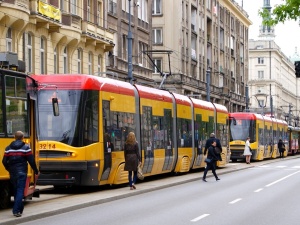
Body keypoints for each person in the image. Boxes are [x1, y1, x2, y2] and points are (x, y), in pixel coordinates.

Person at [2, 131, 39, 217]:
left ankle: (20, 209)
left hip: (13, 173)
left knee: (16, 191)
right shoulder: (26, 148)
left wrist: (9, 168)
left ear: (14, 137)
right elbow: (31, 161)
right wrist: (36, 170)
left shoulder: (8, 148)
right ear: (22, 138)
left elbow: (4, 161)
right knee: (20, 191)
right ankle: (16, 211)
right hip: (22, 172)